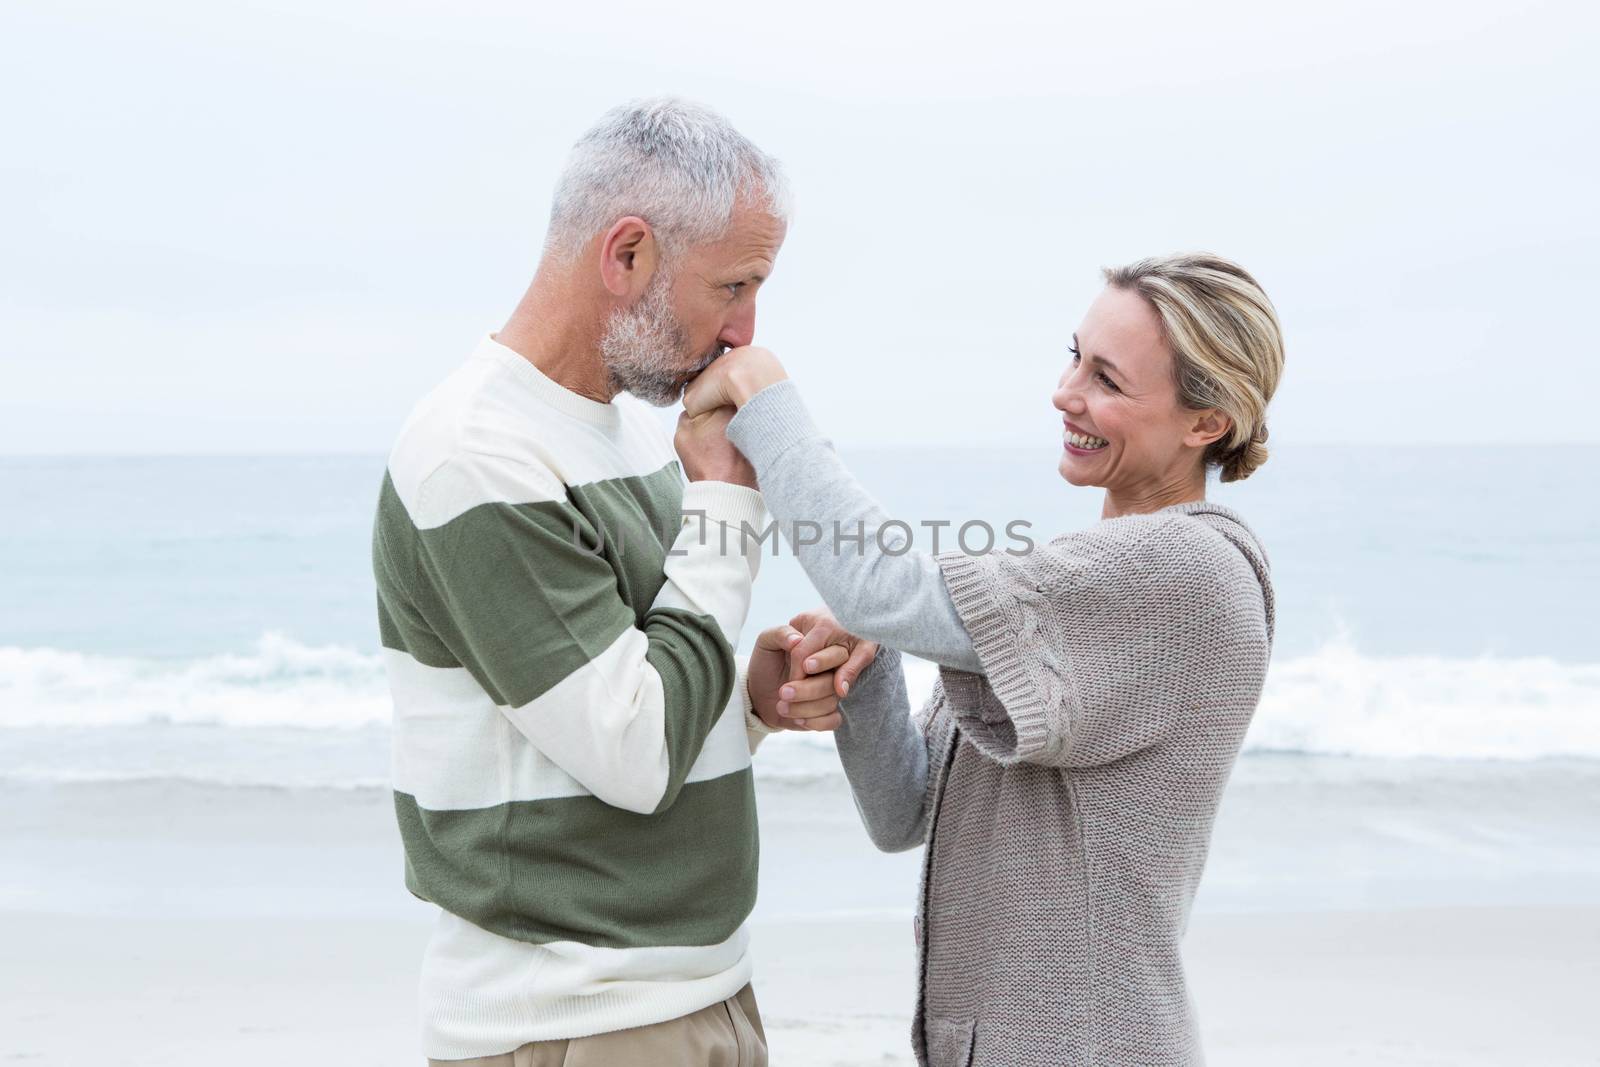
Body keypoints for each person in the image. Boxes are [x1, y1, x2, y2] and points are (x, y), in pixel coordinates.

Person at [685, 253, 1284, 1065]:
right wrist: (873, 663)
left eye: (1108, 379)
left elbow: (881, 582)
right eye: (1075, 356)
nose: (1066, 393)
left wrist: (766, 402)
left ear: (1205, 422)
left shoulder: (1186, 572)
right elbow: (905, 809)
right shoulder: (1084, 578)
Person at [370, 97, 866, 1067]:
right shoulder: (476, 453)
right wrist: (725, 503)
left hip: (698, 992)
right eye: (734, 284)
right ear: (627, 254)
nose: (745, 328)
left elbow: (635, 692)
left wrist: (746, 697)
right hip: (572, 1020)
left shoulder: (632, 426)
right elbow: (634, 752)